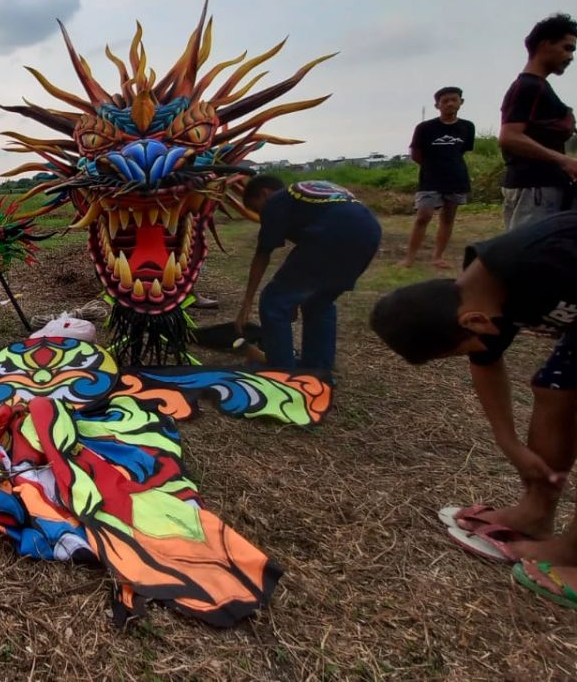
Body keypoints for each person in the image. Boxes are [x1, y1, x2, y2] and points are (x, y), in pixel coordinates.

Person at [370, 212, 577, 609]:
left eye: (469, 345)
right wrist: (510, 444)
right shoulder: (483, 291)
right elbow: (487, 363)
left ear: (476, 321)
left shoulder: (550, 260)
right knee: (554, 388)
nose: (480, 351)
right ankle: (537, 512)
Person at [234, 176, 381, 370]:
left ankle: (281, 372)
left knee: (273, 301)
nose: (261, 217)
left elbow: (262, 254)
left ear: (264, 194)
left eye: (256, 209)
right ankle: (317, 371)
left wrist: (246, 303)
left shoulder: (276, 200)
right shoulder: (304, 200)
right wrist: (294, 294)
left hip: (333, 234)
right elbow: (306, 258)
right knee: (318, 301)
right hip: (369, 232)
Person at [498, 13, 577, 229]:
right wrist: (564, 160)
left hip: (545, 188)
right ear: (544, 44)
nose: (571, 57)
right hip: (534, 190)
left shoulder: (540, 87)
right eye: (567, 48)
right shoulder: (529, 87)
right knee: (528, 258)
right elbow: (510, 137)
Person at [401, 86, 476, 269]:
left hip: (456, 177)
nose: (450, 103)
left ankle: (438, 257)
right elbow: (416, 154)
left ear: (461, 102)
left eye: (454, 99)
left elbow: (463, 150)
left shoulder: (467, 127)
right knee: (423, 216)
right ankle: (409, 258)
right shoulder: (425, 128)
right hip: (430, 178)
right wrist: (431, 167)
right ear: (437, 105)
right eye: (445, 101)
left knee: (448, 218)